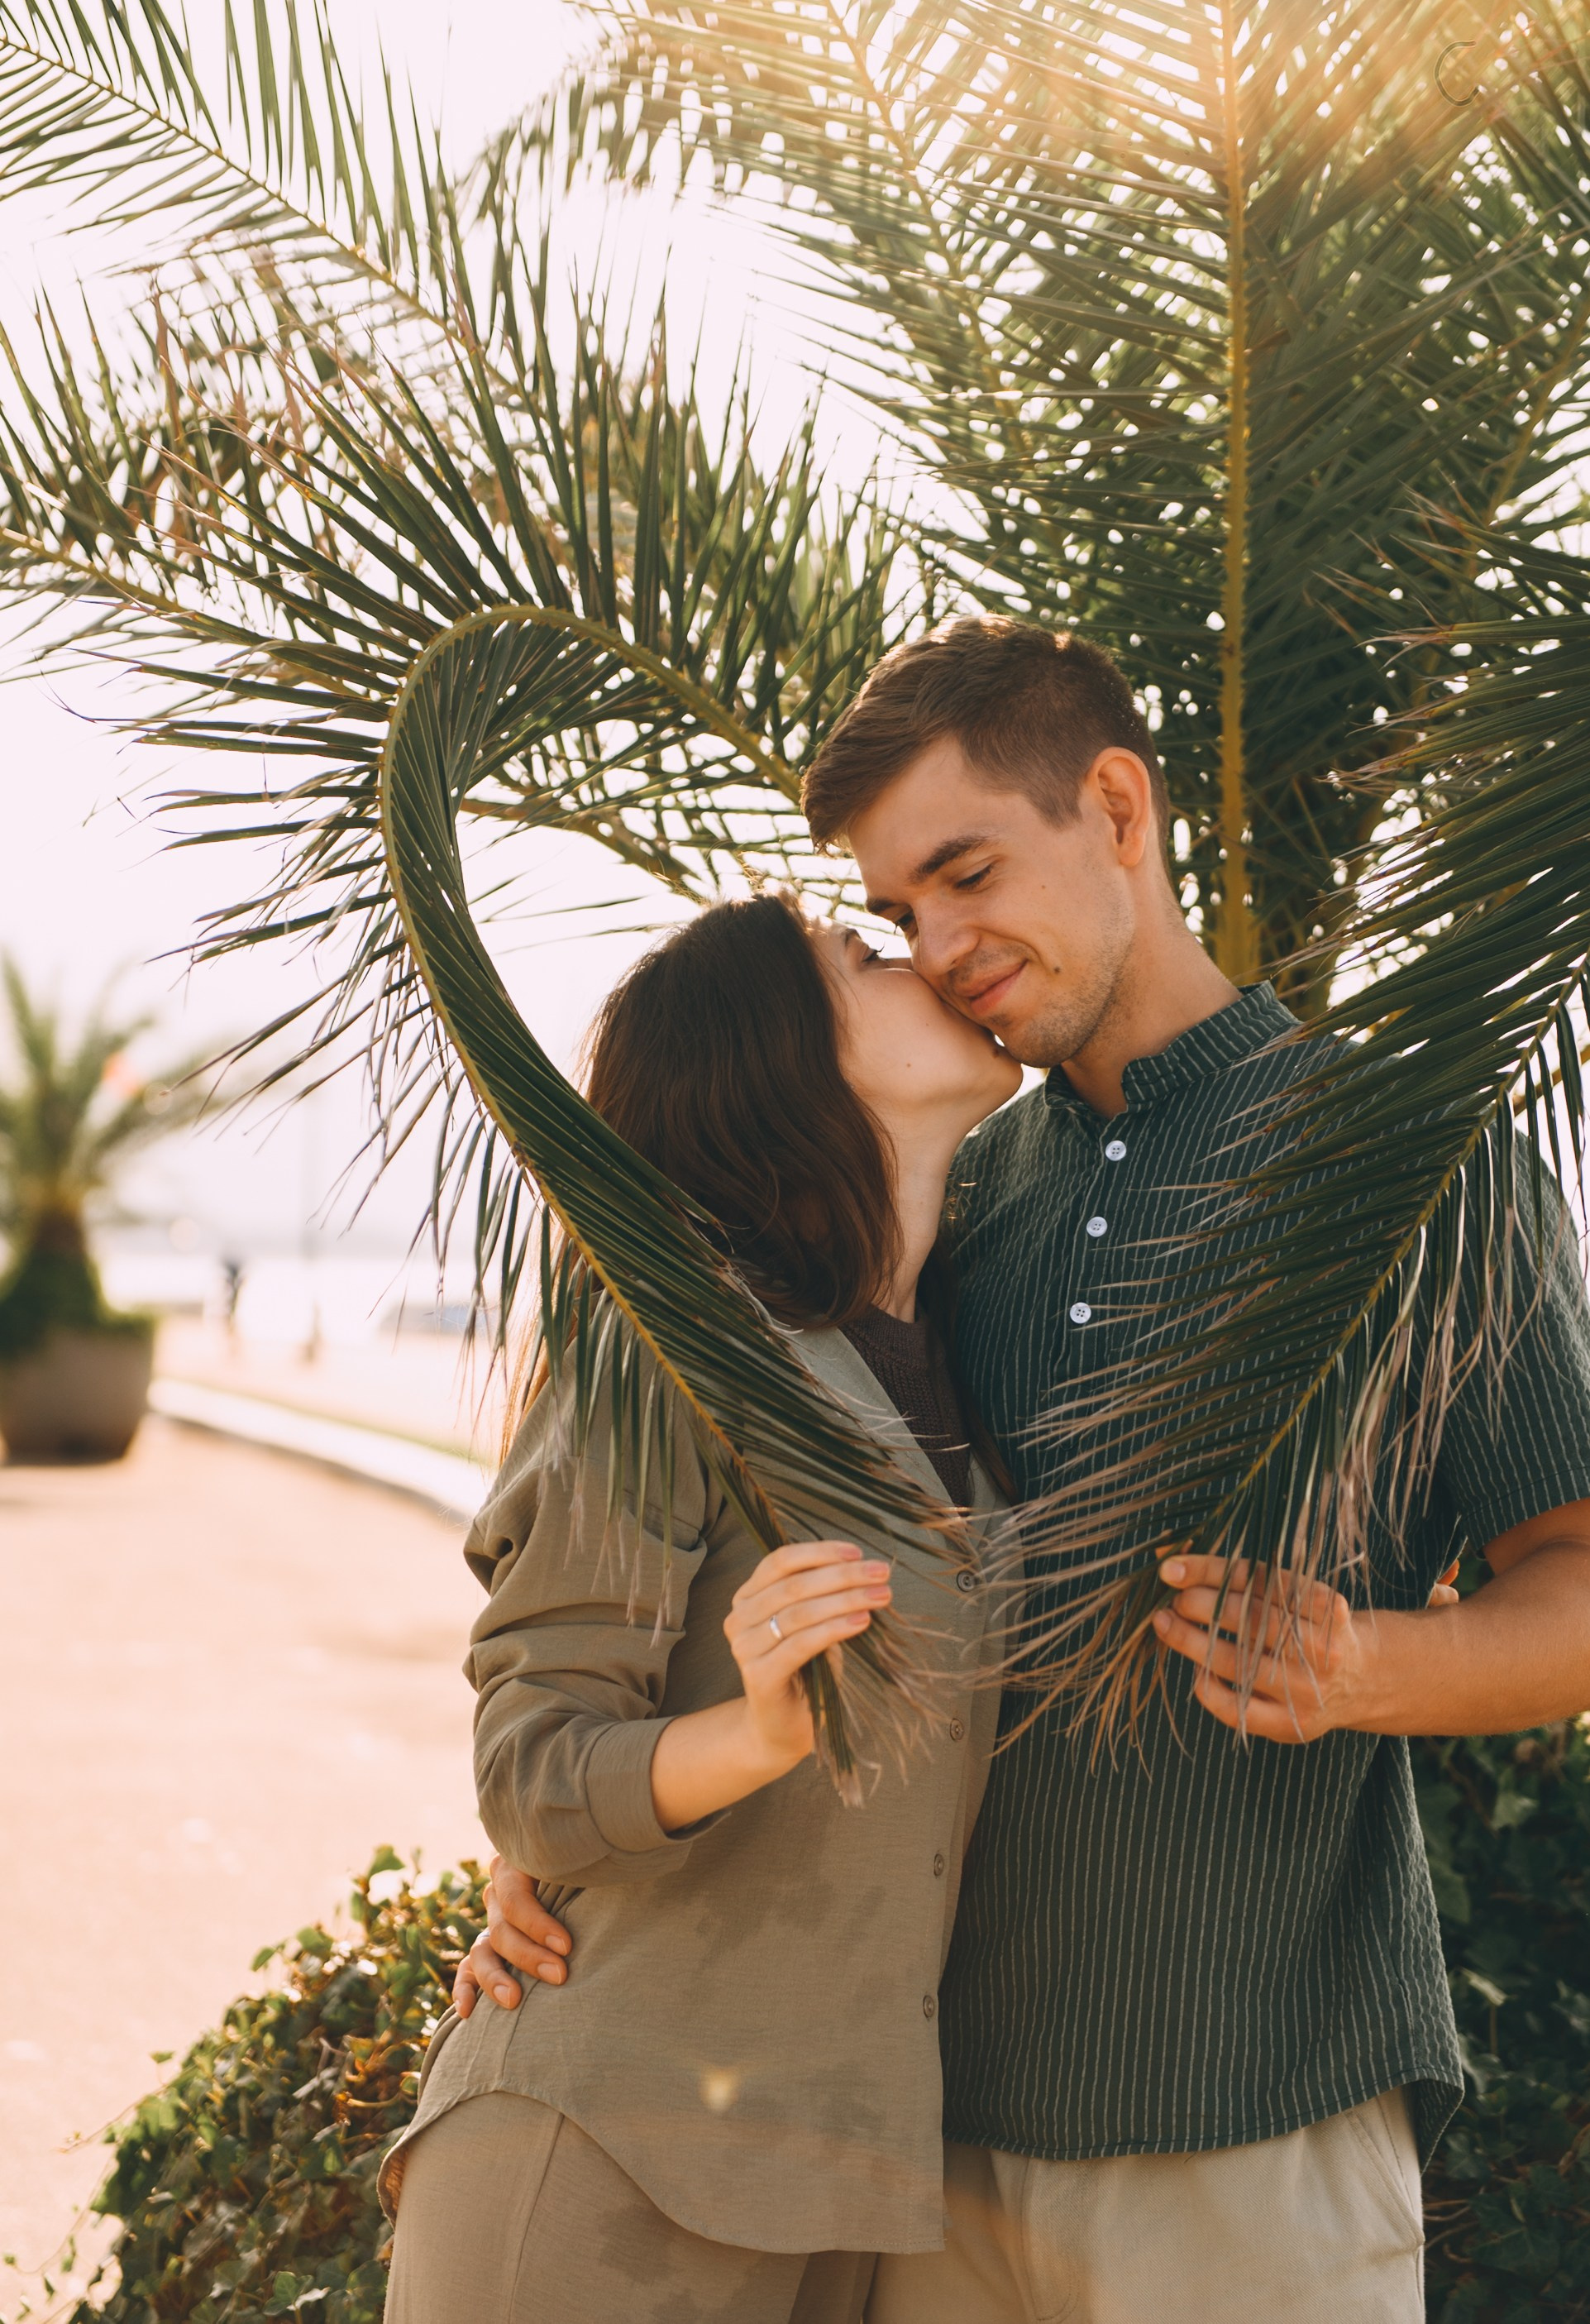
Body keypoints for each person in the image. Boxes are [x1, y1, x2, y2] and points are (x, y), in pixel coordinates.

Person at [476, 617, 1590, 2322]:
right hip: (915, 2169)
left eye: (966, 871)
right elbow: (669, 1559)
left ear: (1117, 806)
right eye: (898, 910)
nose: (935, 947)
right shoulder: (940, 1206)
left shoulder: (1409, 1160)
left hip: (1249, 2131)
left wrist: (1369, 1662)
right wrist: (562, 1847)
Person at [380, 892, 1021, 2323]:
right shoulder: (666, 1343)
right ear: (786, 1067)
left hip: (840, 2196)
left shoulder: (964, 1360)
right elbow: (532, 1768)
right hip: (599, 2166)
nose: (924, 956)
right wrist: (754, 1731)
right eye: (866, 955)